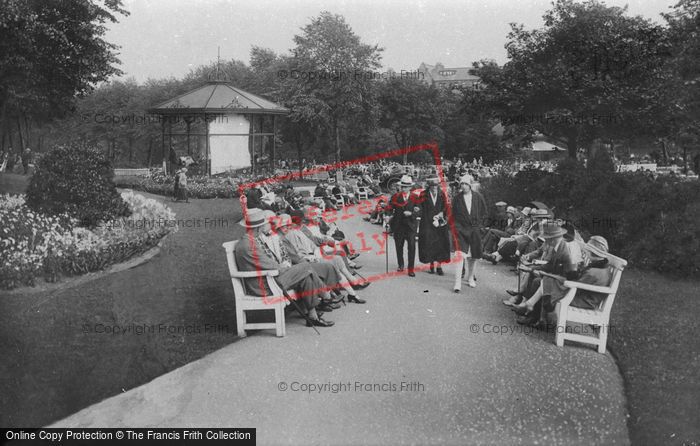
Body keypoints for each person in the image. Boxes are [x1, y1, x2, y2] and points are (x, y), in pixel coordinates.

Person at [234, 209, 334, 327]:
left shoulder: (249, 241)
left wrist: (286, 267)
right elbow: (271, 266)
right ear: (258, 228)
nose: (267, 226)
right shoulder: (249, 245)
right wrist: (285, 267)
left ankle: (313, 317)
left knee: (305, 276)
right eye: (265, 224)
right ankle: (325, 294)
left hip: (268, 279)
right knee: (306, 266)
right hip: (264, 285)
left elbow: (268, 264)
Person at [451, 174, 488, 292]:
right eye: (462, 184)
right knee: (459, 255)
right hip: (461, 230)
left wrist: (480, 227)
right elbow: (452, 215)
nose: (464, 186)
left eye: (466, 184)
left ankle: (470, 277)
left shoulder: (478, 197)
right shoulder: (457, 198)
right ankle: (457, 283)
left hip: (474, 230)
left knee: (473, 256)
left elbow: (484, 213)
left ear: (470, 185)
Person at [387, 175, 419, 276]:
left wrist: (412, 214)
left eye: (406, 186)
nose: (404, 188)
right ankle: (400, 264)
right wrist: (387, 216)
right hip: (399, 225)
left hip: (411, 226)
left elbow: (420, 210)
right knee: (399, 246)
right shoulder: (396, 196)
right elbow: (389, 208)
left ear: (410, 187)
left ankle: (411, 269)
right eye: (403, 186)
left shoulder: (415, 197)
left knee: (412, 247)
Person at [418, 177, 451, 275]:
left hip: (439, 222)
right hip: (427, 222)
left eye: (436, 185)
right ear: (429, 186)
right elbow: (420, 207)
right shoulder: (423, 194)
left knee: (440, 243)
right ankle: (431, 264)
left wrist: (441, 213)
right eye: (432, 185)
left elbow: (446, 207)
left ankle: (439, 266)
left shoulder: (441, 194)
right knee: (429, 242)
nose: (434, 187)